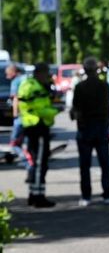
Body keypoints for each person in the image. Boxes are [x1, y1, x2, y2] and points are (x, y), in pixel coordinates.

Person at [69, 56, 109, 206]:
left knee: (85, 165)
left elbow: (76, 108)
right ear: (96, 69)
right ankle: (107, 194)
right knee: (105, 163)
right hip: (101, 127)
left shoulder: (80, 87)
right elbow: (108, 108)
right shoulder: (104, 86)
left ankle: (86, 196)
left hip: (85, 128)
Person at [17, 62, 58, 208]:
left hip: (32, 126)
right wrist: (55, 111)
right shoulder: (35, 87)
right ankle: (38, 197)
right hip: (38, 126)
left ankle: (33, 194)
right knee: (40, 163)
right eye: (47, 75)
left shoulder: (29, 84)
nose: (48, 78)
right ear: (40, 73)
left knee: (36, 162)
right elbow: (41, 108)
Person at [3, 63, 20, 165]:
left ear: (13, 72)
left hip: (21, 116)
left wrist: (15, 114)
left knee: (14, 142)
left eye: (7, 74)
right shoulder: (25, 78)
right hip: (32, 115)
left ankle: (26, 160)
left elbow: (15, 99)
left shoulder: (15, 81)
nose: (6, 76)